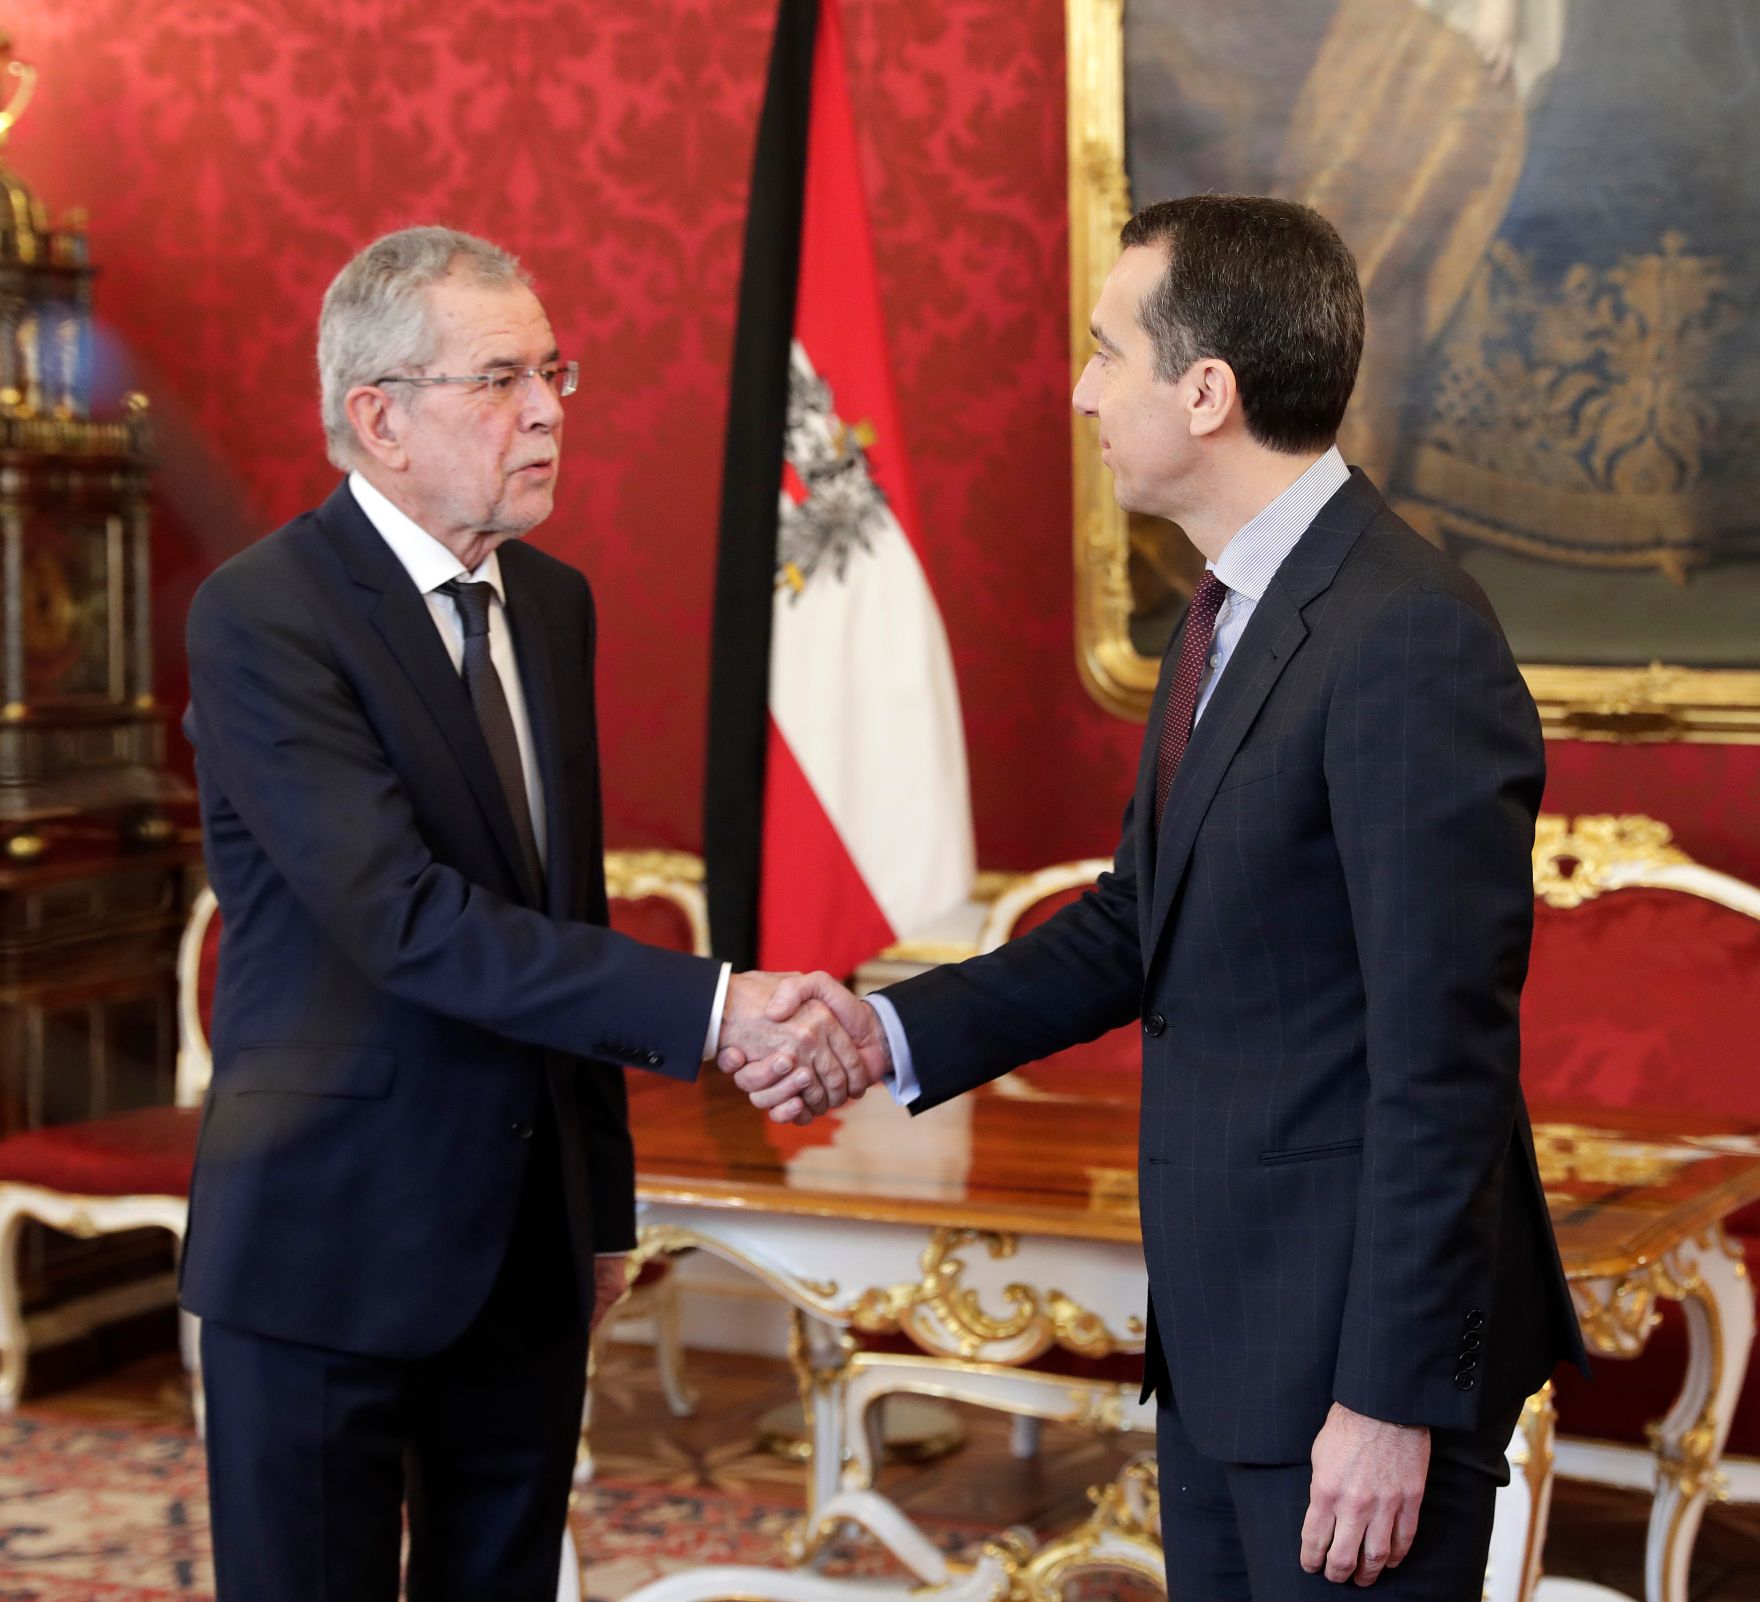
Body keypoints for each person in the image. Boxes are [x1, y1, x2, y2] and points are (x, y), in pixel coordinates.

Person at [730, 196, 1588, 1598]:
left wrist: (1388, 1400)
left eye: (1105, 351)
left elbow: (1445, 1063)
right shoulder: (1231, 609)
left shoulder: (1405, 632)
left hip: (1349, 1374)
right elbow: (1141, 922)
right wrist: (881, 1033)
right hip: (1229, 1337)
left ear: (1207, 392)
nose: (1081, 392)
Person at [181, 226, 878, 1602]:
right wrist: (718, 1006)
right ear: (379, 416)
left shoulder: (551, 604)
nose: (550, 409)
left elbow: (564, 900)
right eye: (500, 378)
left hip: (524, 1242)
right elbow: (405, 917)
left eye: (552, 371)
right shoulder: (263, 613)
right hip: (328, 1242)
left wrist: (598, 1207)